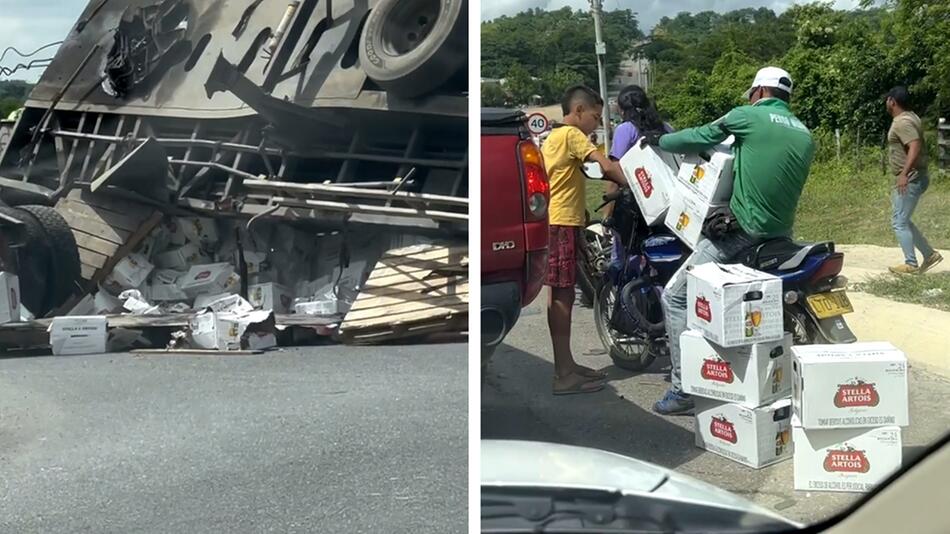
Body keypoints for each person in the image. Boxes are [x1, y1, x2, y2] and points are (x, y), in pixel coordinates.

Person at [651, 67, 816, 415]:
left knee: (676, 297)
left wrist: (661, 140)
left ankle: (682, 390)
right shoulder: (804, 133)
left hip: (743, 232)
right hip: (781, 233)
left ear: (759, 92)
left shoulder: (746, 116)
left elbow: (699, 137)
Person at [541, 85, 628, 395]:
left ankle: (566, 364)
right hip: (561, 222)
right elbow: (605, 166)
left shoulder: (553, 136)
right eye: (595, 115)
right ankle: (564, 373)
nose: (596, 122)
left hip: (558, 221)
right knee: (563, 295)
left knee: (559, 294)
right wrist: (636, 183)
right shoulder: (573, 135)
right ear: (578, 112)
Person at [884, 86, 942, 274]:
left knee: (899, 222)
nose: (886, 103)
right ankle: (929, 254)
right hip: (917, 176)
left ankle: (911, 263)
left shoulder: (902, 122)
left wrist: (904, 174)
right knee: (904, 219)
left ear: (892, 101)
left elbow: (914, 146)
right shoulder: (912, 116)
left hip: (911, 177)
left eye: (887, 100)